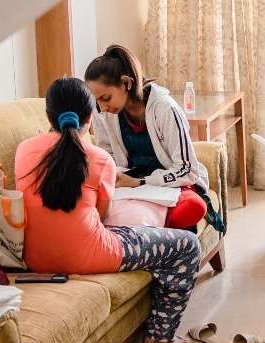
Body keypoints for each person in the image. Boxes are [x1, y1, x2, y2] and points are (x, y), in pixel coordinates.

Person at [15, 77, 204, 343]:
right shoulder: (99, 158)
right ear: (89, 118)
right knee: (187, 246)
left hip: (35, 258)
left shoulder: (24, 150)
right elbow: (103, 215)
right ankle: (159, 340)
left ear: (48, 115)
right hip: (90, 255)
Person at [84, 45, 211, 232]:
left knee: (192, 207)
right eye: (97, 101)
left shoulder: (165, 108)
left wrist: (141, 182)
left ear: (126, 83)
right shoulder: (104, 112)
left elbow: (188, 170)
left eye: (106, 98)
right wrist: (113, 176)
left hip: (171, 183)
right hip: (130, 184)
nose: (102, 107)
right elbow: (108, 156)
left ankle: (151, 229)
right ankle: (146, 228)